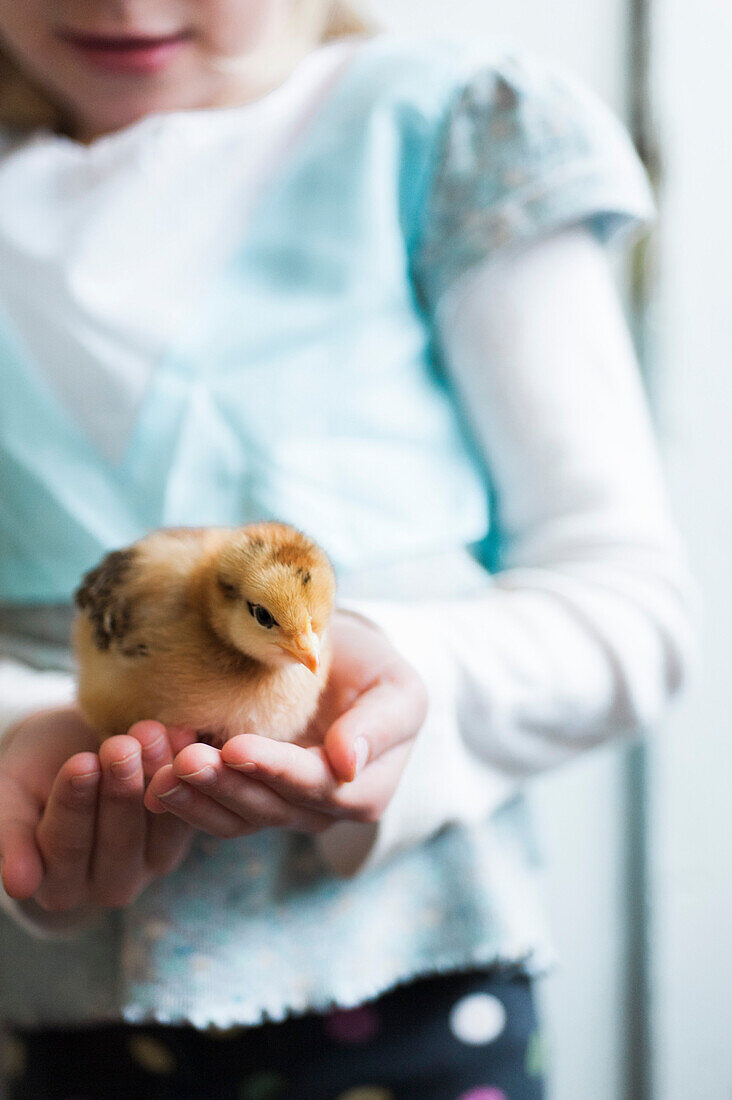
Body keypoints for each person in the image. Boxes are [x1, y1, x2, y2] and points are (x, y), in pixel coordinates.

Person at [0, 2, 695, 1097]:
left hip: (412, 1000)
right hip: (41, 1015)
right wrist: (21, 735)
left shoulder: (443, 135)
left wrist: (386, 687)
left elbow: (630, 611)